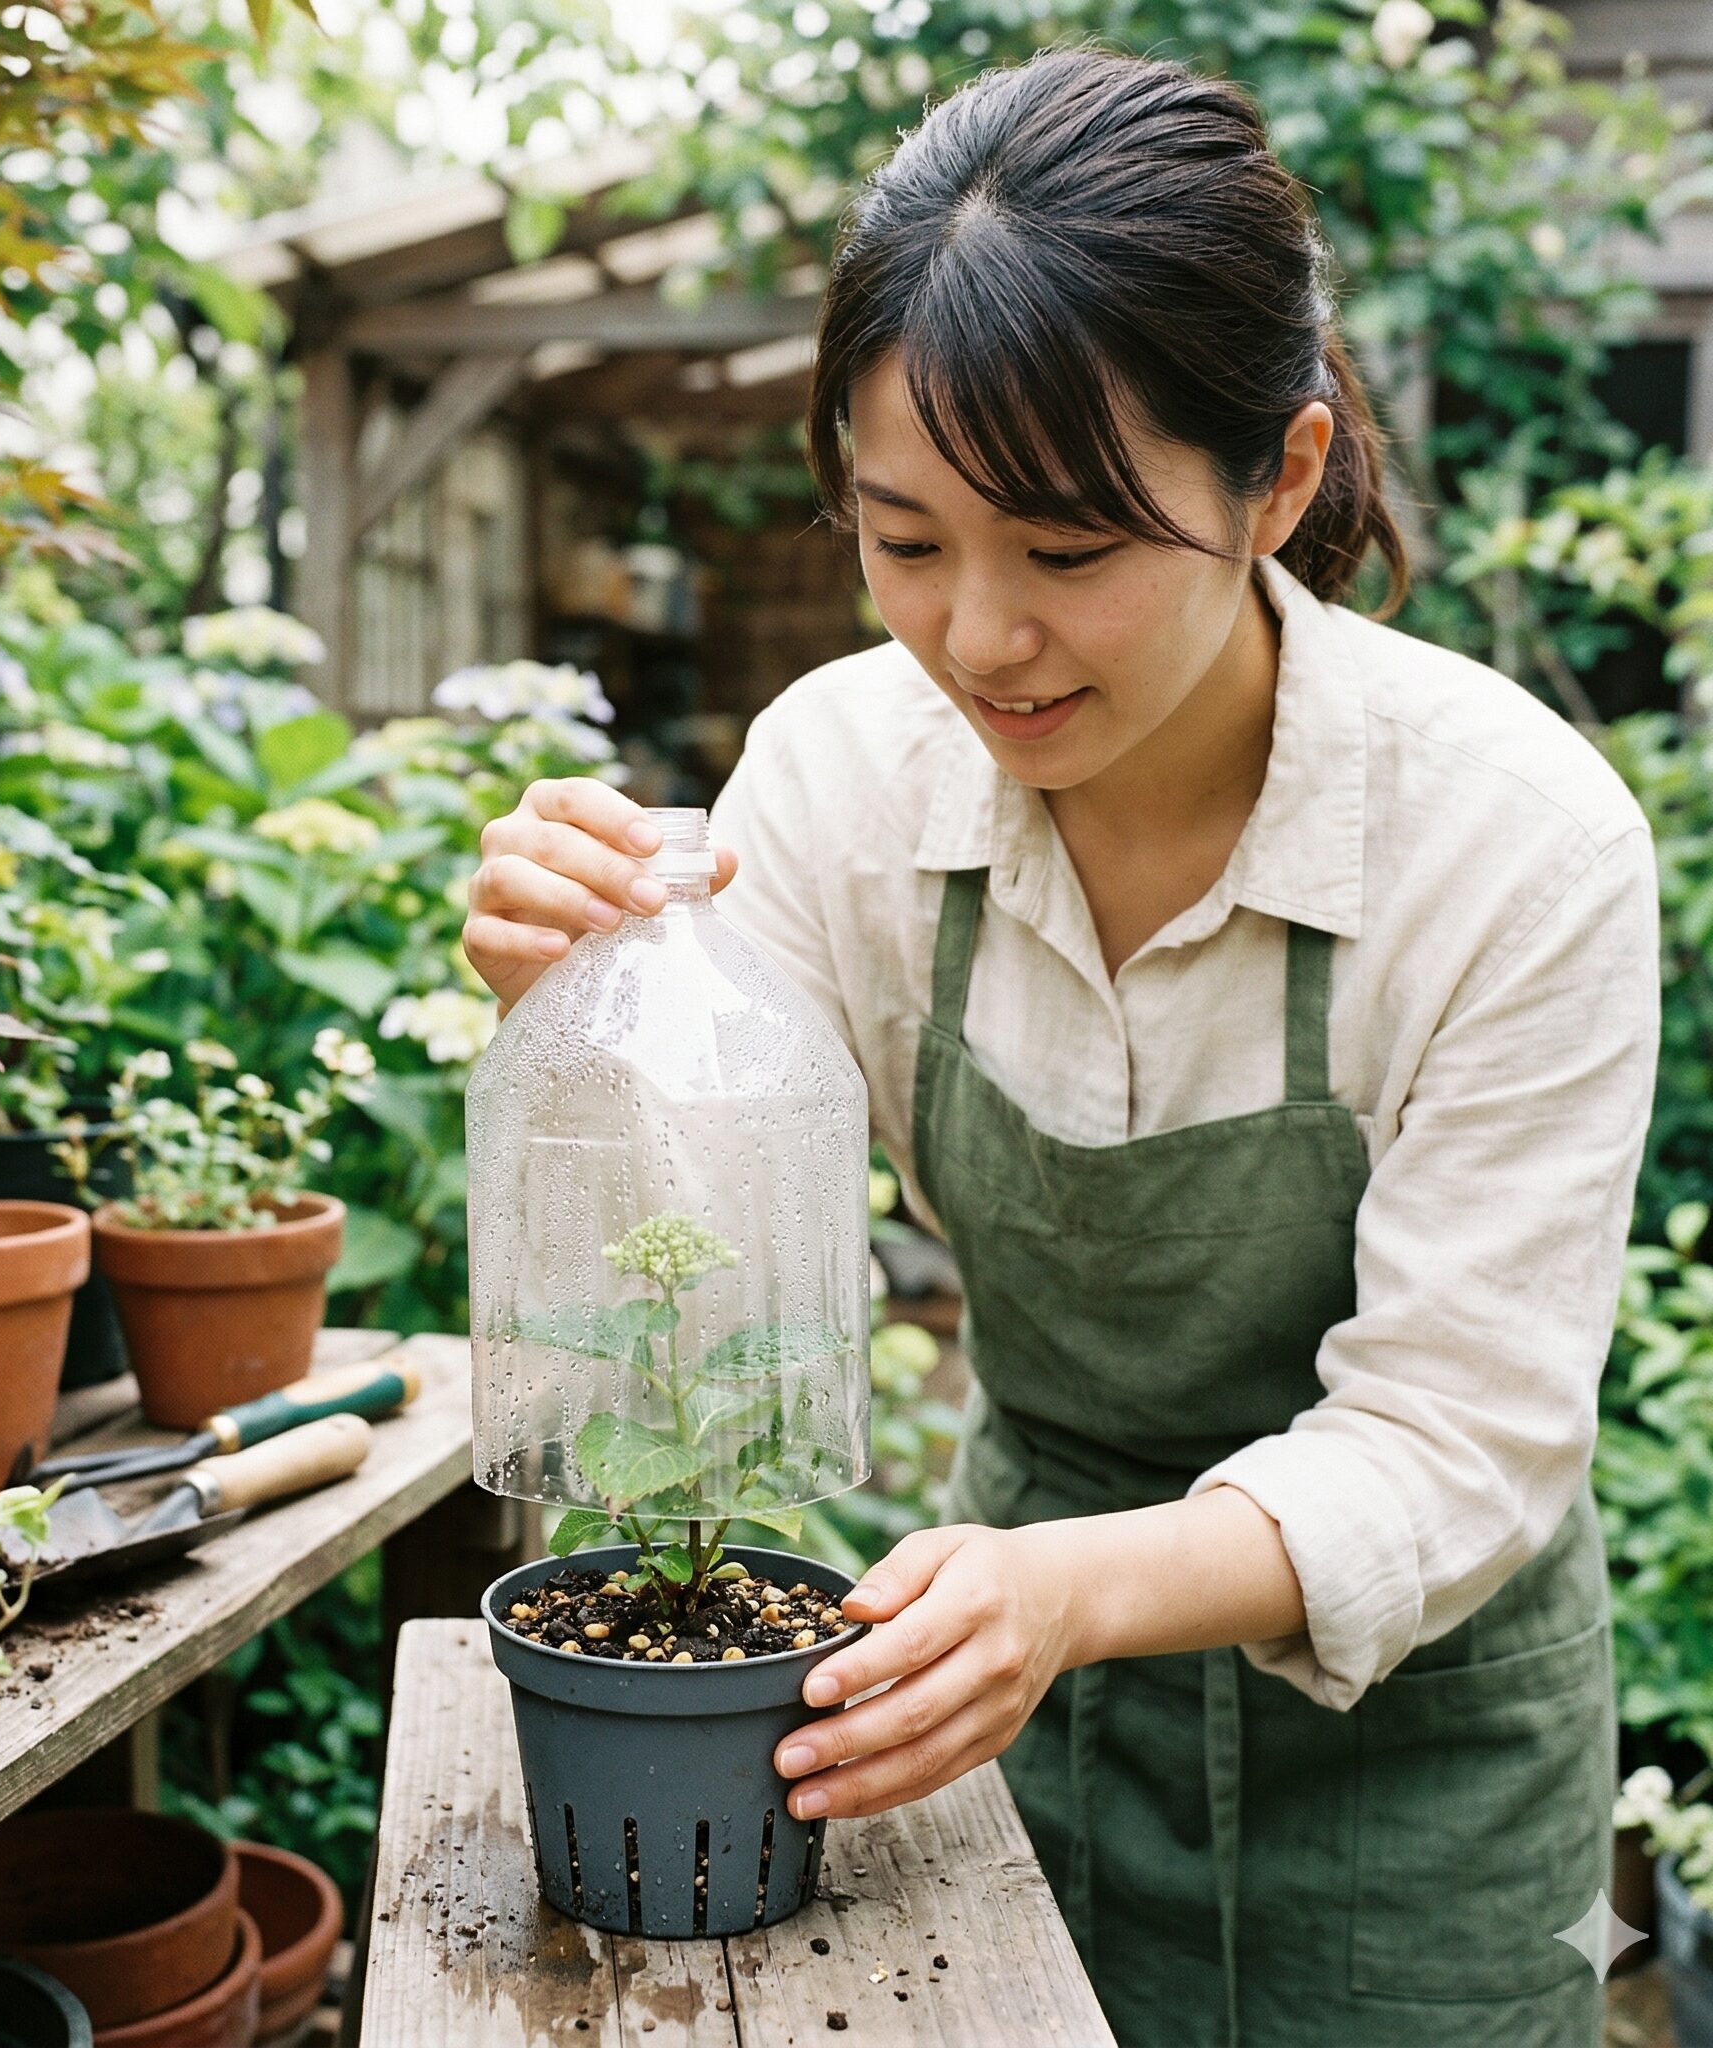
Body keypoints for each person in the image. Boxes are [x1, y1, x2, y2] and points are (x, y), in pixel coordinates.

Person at [463, 45, 1658, 2047]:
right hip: (1004, 1696)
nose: (978, 638)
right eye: (906, 540)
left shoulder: (1512, 842)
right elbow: (708, 1250)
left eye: (1069, 550)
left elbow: (1461, 1437)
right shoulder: (835, 779)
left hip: (1419, 1744)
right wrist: (575, 1005)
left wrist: (1070, 1593)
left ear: (1278, 478)